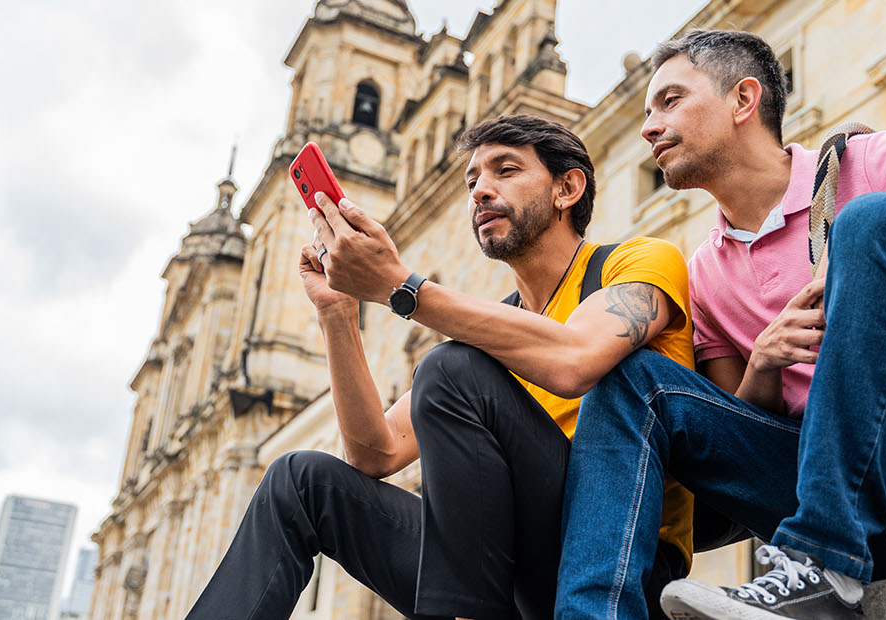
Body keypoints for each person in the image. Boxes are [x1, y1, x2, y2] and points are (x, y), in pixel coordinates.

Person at [554, 29, 886, 620]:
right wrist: (763, 362)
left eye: (670, 101)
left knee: (876, 217)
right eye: (647, 110)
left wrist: (873, 229)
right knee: (633, 378)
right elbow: (743, 430)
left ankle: (821, 555)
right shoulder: (704, 273)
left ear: (743, 100)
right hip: (815, 504)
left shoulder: (868, 164)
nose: (648, 127)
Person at [185, 114, 698, 620]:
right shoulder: (496, 327)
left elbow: (575, 359)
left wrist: (400, 289)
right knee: (300, 479)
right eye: (472, 179)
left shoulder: (639, 261)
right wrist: (338, 313)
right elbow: (374, 454)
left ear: (567, 188)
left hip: (619, 556)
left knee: (449, 366)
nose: (478, 191)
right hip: (511, 575)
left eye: (506, 170)